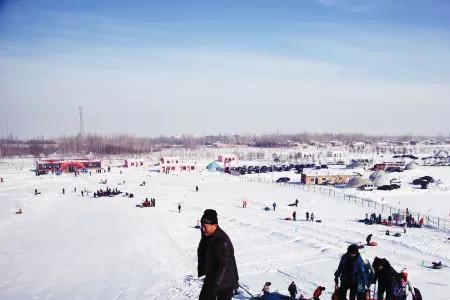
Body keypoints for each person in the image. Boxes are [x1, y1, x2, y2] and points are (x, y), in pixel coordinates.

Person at [197, 209, 239, 300]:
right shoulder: (208, 234)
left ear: (215, 225)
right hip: (213, 273)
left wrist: (215, 285)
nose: (202, 229)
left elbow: (225, 266)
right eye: (201, 226)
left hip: (225, 279)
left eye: (205, 226)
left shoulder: (222, 241)